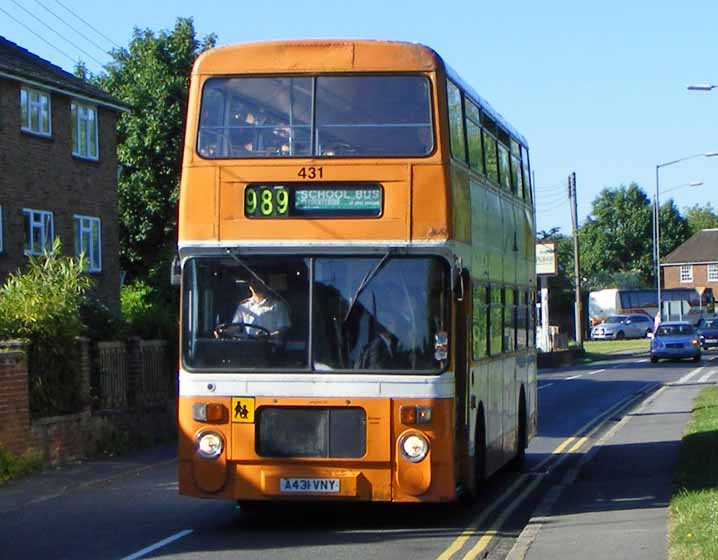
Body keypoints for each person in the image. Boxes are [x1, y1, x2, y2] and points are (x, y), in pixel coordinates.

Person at [218, 280, 290, 339]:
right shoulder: (243, 306)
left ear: (265, 285)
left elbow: (283, 330)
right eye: (253, 282)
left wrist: (268, 336)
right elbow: (235, 327)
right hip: (248, 348)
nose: (255, 285)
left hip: (270, 347)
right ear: (250, 286)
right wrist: (224, 332)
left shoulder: (278, 306)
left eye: (259, 282)